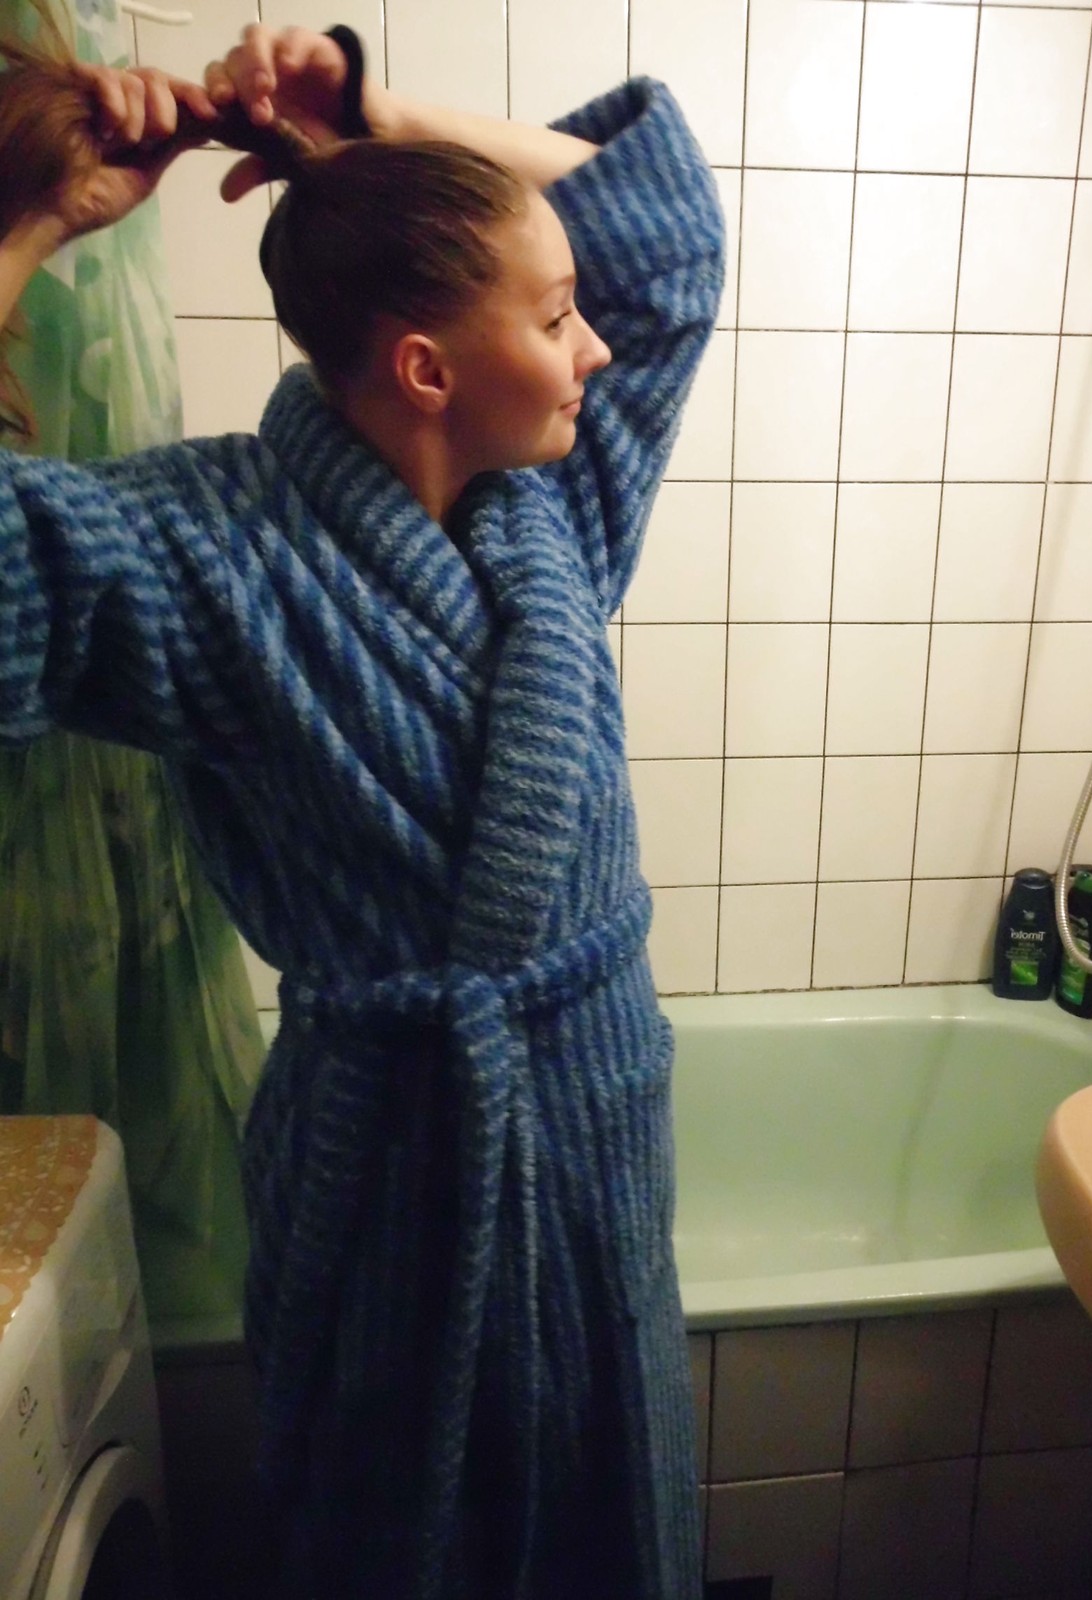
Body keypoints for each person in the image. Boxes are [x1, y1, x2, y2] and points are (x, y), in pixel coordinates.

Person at [0, 21, 724, 1598]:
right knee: (399, 1532)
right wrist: (29, 221)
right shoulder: (208, 557)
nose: (598, 350)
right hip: (398, 1156)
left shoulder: (557, 503)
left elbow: (667, 228)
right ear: (425, 369)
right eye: (557, 316)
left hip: (595, 1130)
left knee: (611, 1509)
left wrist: (380, 122)